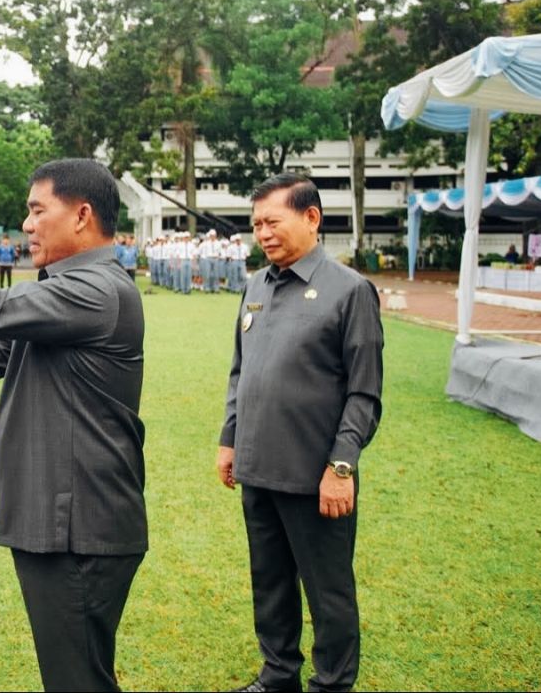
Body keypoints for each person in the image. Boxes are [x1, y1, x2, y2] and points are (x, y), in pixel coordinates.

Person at [0, 158, 146, 692]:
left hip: (79, 526)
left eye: (37, 210)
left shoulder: (97, 288)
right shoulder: (69, 291)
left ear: (81, 216)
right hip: (63, 519)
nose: (27, 224)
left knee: (77, 681)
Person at [217, 173, 383, 693]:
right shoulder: (256, 285)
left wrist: (341, 467)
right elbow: (241, 371)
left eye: (273, 221)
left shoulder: (350, 290)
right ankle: (278, 676)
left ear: (311, 218)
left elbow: (364, 394)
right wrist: (229, 440)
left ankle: (332, 684)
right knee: (270, 584)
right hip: (258, 468)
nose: (262, 233)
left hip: (316, 476)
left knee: (328, 591)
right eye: (256, 225)